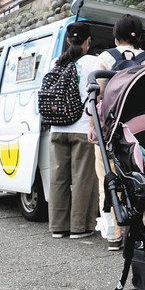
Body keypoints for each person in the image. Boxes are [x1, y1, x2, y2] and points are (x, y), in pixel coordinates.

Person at [92, 15, 145, 251]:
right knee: (141, 178)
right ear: (140, 36)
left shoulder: (104, 58)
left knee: (108, 178)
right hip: (141, 130)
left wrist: (93, 128)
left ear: (115, 34)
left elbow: (96, 97)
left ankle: (114, 234)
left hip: (110, 130)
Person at [49, 22, 100, 239]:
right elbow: (98, 95)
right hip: (81, 128)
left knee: (58, 178)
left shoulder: (56, 62)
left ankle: (58, 227)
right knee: (82, 178)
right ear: (88, 41)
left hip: (57, 127)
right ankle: (79, 228)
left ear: (69, 41)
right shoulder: (93, 62)